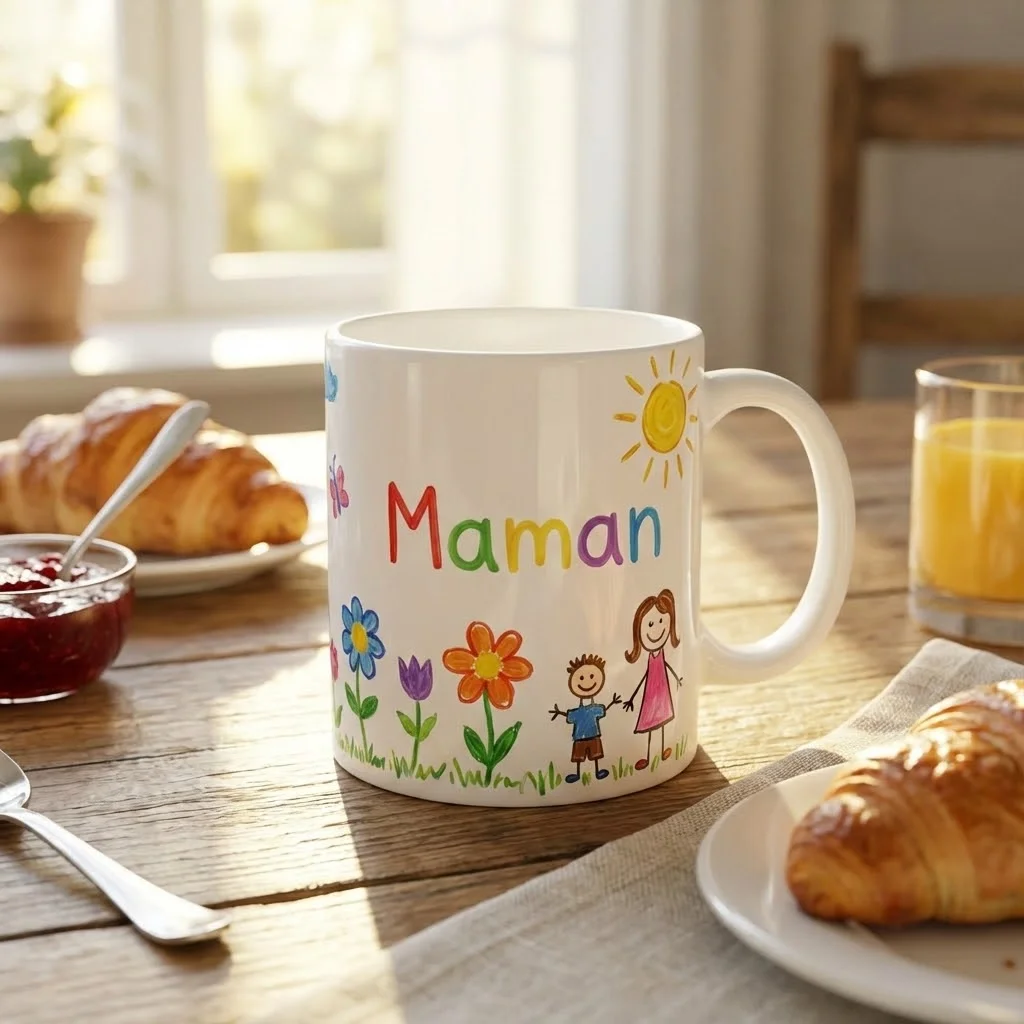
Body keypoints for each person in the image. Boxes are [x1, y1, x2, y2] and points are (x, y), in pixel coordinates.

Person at [623, 589, 682, 770]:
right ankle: (648, 757)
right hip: (651, 693)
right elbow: (645, 677)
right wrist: (633, 697)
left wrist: (677, 680)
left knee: (663, 721)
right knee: (650, 725)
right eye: (649, 624)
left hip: (662, 691)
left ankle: (664, 749)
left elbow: (667, 668)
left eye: (661, 621)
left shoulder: (662, 654)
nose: (656, 628)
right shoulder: (650, 658)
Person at [549, 653, 622, 783]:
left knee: (596, 755)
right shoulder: (579, 711)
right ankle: (577, 774)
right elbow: (570, 716)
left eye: (592, 676)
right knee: (579, 756)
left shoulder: (595, 708)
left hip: (593, 736)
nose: (587, 682)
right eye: (581, 678)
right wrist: (559, 712)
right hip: (579, 738)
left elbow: (604, 710)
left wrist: (612, 702)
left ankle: (598, 771)